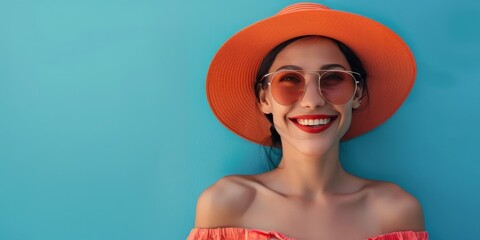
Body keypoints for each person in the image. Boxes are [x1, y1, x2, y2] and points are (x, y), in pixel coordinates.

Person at [187, 3, 428, 240]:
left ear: (357, 94)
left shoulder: (396, 211)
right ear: (264, 98)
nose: (312, 101)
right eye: (290, 78)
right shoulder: (226, 204)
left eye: (333, 77)